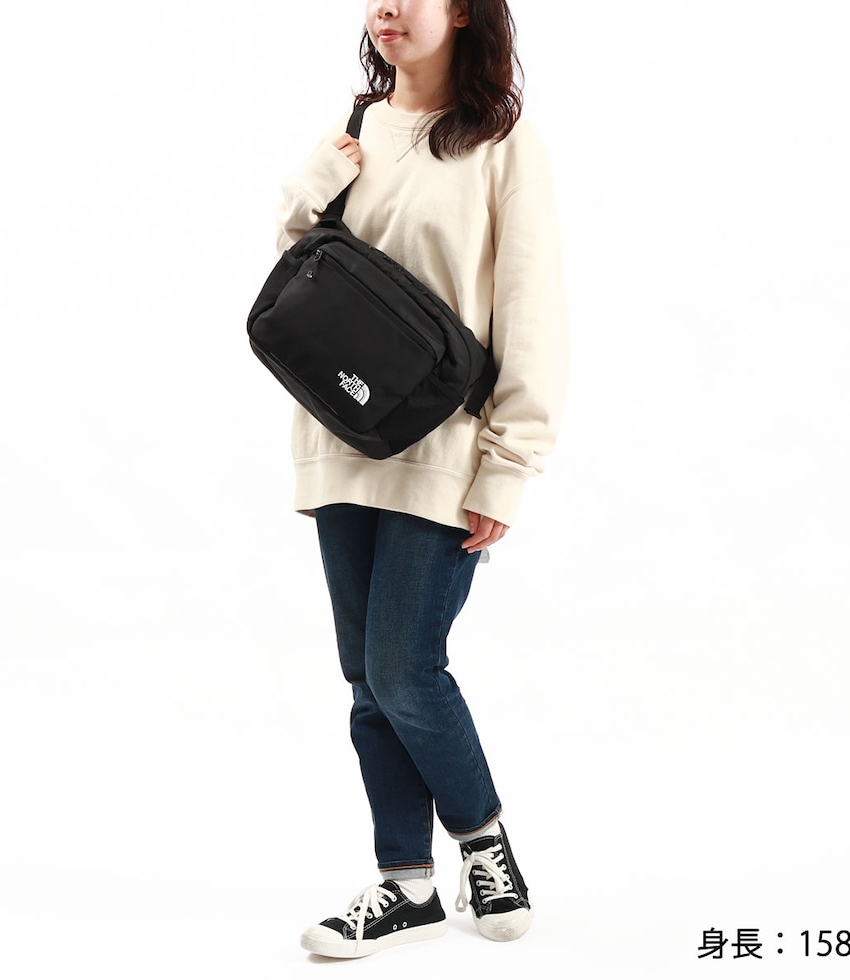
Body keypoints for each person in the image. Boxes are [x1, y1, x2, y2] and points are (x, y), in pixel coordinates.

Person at [272, 0, 567, 959]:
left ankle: (483, 843)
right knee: (368, 679)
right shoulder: (352, 129)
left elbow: (532, 310)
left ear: (466, 13)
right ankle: (406, 885)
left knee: (406, 667)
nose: (387, 8)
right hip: (341, 436)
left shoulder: (501, 143)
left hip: (447, 448)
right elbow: (299, 277)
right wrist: (318, 181)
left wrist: (509, 466)